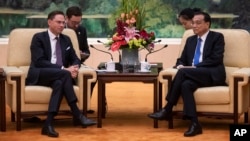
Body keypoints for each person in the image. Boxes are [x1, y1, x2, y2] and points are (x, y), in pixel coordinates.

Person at [148, 11, 226, 137]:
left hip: (212, 74)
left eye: (198, 23)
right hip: (193, 74)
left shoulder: (217, 37)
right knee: (186, 85)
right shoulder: (190, 40)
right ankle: (195, 124)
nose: (194, 26)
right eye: (193, 23)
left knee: (183, 72)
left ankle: (168, 109)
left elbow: (215, 59)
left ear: (207, 24)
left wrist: (192, 67)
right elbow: (182, 59)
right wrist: (180, 65)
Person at [25, 10, 96, 138]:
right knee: (64, 75)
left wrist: (74, 68)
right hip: (40, 74)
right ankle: (77, 113)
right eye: (58, 22)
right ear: (49, 22)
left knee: (59, 83)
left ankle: (48, 124)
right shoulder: (39, 38)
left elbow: (75, 58)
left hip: (57, 76)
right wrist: (64, 69)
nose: (62, 25)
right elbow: (39, 62)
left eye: (63, 22)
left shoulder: (66, 39)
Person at [65, 6, 96, 114]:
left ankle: (84, 105)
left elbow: (87, 51)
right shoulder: (59, 29)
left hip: (78, 62)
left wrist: (82, 54)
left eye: (78, 22)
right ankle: (70, 107)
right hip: (63, 63)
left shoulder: (81, 30)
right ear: (66, 18)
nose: (76, 25)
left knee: (93, 75)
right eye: (74, 22)